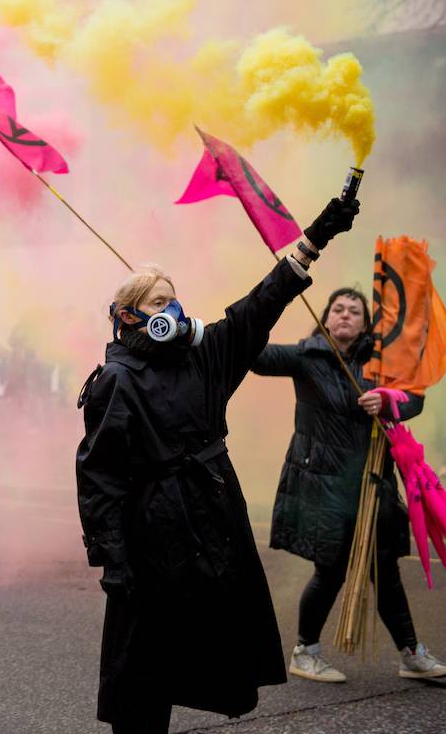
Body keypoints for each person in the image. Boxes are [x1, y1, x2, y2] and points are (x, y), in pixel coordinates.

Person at [75, 193, 361, 733]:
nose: (172, 311)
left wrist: (315, 238)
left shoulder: (204, 356)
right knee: (143, 663)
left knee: (214, 641)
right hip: (153, 529)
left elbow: (258, 308)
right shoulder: (116, 379)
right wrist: (112, 557)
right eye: (157, 302)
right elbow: (100, 476)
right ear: (128, 316)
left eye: (173, 298)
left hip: (212, 516)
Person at [253, 288, 446, 682]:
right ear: (326, 318)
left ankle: (412, 654)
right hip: (324, 487)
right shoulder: (305, 356)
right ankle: (305, 652)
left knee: (385, 571)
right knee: (330, 571)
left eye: (354, 311)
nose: (345, 315)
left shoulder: (382, 362)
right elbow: (256, 357)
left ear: (365, 322)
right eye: (338, 309)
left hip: (373, 484)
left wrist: (388, 398)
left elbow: (415, 398)